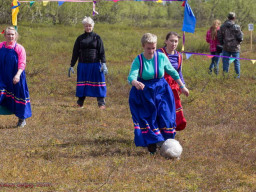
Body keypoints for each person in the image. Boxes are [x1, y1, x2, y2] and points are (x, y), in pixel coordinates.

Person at [128, 33, 189, 154]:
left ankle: (166, 144)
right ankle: (152, 145)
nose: (151, 51)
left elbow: (173, 72)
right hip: (144, 92)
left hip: (162, 91)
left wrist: (182, 86)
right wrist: (135, 82)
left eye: (153, 48)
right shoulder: (139, 60)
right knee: (149, 118)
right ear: (143, 46)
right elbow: (131, 75)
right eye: (148, 48)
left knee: (166, 116)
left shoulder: (161, 57)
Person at [69, 16, 108, 109]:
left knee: (98, 83)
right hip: (83, 65)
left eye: (90, 26)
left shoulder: (97, 38)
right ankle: (80, 102)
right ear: (84, 26)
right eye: (86, 26)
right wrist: (72, 65)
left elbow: (101, 51)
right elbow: (75, 52)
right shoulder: (80, 38)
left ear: (92, 26)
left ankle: (101, 103)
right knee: (82, 84)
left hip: (95, 65)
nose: (88, 27)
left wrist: (104, 64)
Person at [0, 26, 32, 127]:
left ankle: (21, 119)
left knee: (19, 96)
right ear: (5, 35)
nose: (10, 36)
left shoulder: (19, 48)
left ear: (16, 36)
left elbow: (22, 63)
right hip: (2, 76)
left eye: (12, 34)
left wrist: (17, 75)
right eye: (8, 34)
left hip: (16, 77)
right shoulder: (0, 46)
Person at [157, 32, 187, 131]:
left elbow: (179, 72)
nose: (173, 44)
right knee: (162, 110)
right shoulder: (158, 53)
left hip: (173, 87)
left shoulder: (179, 56)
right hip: (160, 87)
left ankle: (170, 131)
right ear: (166, 41)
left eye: (176, 41)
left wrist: (183, 86)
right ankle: (159, 132)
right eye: (171, 41)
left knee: (174, 112)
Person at [218, 12, 243, 78]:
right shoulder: (237, 27)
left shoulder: (222, 26)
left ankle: (225, 76)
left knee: (225, 62)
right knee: (236, 62)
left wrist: (222, 43)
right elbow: (240, 37)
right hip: (235, 47)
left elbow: (219, 36)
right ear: (234, 18)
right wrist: (238, 42)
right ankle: (237, 76)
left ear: (228, 17)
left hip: (225, 47)